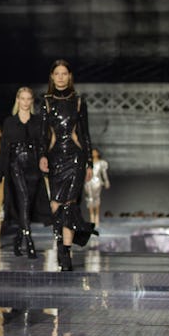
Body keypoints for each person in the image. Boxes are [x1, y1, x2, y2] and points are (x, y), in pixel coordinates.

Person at [38, 60, 97, 271]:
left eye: (64, 73)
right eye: (57, 73)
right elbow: (43, 134)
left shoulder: (79, 101)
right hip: (55, 158)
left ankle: (66, 252)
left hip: (75, 158)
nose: (61, 77)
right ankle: (61, 246)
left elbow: (86, 134)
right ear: (52, 77)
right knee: (56, 205)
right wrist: (42, 156)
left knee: (69, 205)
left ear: (69, 76)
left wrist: (89, 162)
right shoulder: (46, 101)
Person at [0, 86, 48, 258]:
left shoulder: (38, 121)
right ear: (18, 100)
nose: (25, 102)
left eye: (28, 99)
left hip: (33, 166)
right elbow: (4, 149)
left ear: (32, 101)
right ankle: (29, 240)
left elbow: (42, 144)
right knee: (23, 199)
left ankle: (18, 237)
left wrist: (44, 158)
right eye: (22, 98)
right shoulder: (9, 122)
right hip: (15, 164)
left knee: (28, 204)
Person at [84, 148, 110, 225]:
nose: (94, 154)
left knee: (97, 198)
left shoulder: (101, 163)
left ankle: (97, 216)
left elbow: (104, 173)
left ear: (98, 153)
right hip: (88, 182)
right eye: (92, 152)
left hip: (97, 182)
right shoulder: (87, 163)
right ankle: (91, 216)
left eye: (95, 152)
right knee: (90, 199)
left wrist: (106, 181)